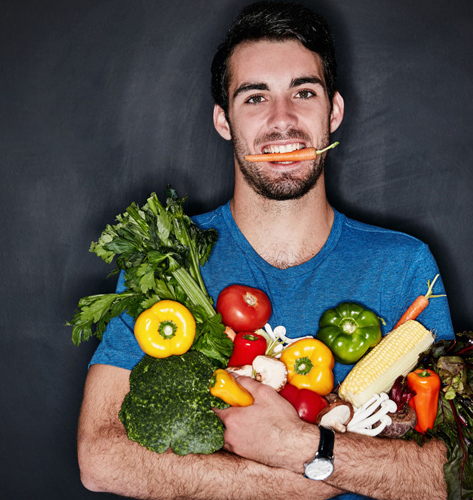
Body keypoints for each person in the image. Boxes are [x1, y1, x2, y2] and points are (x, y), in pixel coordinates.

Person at [77, 2, 454, 499]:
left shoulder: (404, 267)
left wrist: (297, 444)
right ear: (223, 120)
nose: (283, 120)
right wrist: (303, 470)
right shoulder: (166, 260)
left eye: (303, 92)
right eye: (255, 98)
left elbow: (451, 476)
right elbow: (100, 456)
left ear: (333, 111)